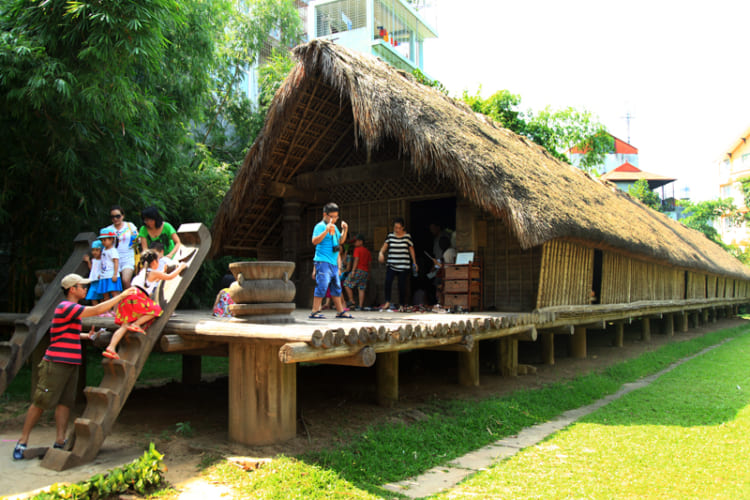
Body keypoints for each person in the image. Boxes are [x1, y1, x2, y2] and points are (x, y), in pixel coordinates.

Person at [12, 274, 135, 459]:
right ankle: (22, 441)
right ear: (72, 289)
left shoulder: (72, 311)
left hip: (71, 363)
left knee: (65, 403)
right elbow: (97, 310)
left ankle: (60, 441)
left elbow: (68, 334)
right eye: (82, 286)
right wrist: (121, 296)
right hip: (56, 363)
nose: (85, 289)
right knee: (41, 401)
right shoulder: (66, 307)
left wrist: (88, 336)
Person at [103, 249, 187, 359]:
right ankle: (136, 324)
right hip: (137, 296)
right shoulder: (152, 272)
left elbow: (154, 281)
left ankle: (111, 347)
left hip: (128, 296)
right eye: (158, 261)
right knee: (156, 310)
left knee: (124, 326)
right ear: (154, 262)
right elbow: (170, 277)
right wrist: (181, 267)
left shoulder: (143, 271)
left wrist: (163, 271)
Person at [309, 202, 352, 319]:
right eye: (331, 217)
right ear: (325, 215)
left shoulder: (335, 228)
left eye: (336, 217)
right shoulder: (320, 226)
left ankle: (340, 311)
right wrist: (326, 231)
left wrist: (345, 229)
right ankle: (314, 311)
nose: (334, 219)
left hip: (333, 262)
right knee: (322, 285)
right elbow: (314, 241)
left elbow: (341, 241)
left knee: (336, 287)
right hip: (322, 261)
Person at [378, 217, 417, 311]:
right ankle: (387, 302)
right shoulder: (390, 236)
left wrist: (415, 263)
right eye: (395, 227)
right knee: (388, 282)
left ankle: (402, 304)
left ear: (403, 227)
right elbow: (383, 248)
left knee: (402, 285)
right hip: (392, 264)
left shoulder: (407, 236)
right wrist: (381, 254)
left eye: (399, 228)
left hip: (404, 265)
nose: (397, 230)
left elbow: (411, 250)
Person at [101, 205, 139, 289]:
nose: (115, 219)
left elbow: (137, 238)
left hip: (128, 257)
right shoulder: (108, 229)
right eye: (112, 217)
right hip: (114, 259)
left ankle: (132, 300)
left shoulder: (130, 225)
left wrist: (136, 240)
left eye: (117, 216)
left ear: (123, 216)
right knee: (117, 285)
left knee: (126, 280)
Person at [343, 234, 372, 310]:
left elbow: (356, 260)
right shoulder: (367, 251)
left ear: (361, 242)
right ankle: (361, 306)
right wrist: (369, 273)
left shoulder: (357, 249)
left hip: (358, 270)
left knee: (346, 283)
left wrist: (353, 271)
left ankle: (351, 300)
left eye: (356, 242)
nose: (354, 244)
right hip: (365, 272)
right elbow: (369, 264)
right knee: (361, 288)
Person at [97, 229, 122, 309]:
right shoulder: (104, 250)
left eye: (105, 240)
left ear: (111, 239)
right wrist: (100, 273)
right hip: (104, 275)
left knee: (115, 293)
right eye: (102, 240)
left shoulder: (113, 250)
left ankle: (116, 311)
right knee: (105, 294)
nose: (103, 242)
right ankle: (107, 310)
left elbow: (116, 262)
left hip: (111, 275)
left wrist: (115, 274)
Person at [82, 240, 103, 306]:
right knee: (92, 296)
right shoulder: (93, 260)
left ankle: (104, 311)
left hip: (100, 280)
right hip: (93, 280)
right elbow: (92, 269)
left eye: (97, 250)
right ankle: (96, 310)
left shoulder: (103, 260)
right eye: (93, 250)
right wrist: (88, 261)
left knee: (102, 296)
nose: (94, 252)